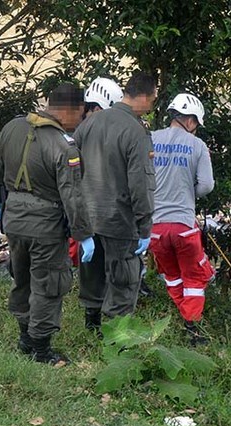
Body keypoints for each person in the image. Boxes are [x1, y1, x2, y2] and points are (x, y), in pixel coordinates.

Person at [0, 82, 95, 366]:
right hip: (45, 226)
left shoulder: (13, 128)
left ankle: (24, 337)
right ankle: (41, 349)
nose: (78, 121)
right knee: (48, 283)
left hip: (13, 221)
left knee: (22, 277)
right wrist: (84, 234)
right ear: (73, 111)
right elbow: (73, 195)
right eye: (80, 114)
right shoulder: (63, 145)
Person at [74, 71, 157, 331]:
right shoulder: (135, 131)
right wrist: (145, 225)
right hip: (120, 220)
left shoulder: (89, 124)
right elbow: (140, 184)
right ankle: (117, 338)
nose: (153, 105)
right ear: (144, 96)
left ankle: (92, 324)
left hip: (89, 216)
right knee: (123, 280)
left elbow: (70, 170)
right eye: (153, 99)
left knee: (93, 272)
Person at [149, 93, 215, 345]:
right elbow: (207, 186)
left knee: (173, 275)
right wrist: (188, 193)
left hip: (155, 229)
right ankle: (193, 329)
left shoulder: (151, 139)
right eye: (196, 123)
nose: (195, 129)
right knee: (195, 279)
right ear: (189, 120)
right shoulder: (197, 146)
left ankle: (184, 315)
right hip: (184, 228)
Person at [68, 77, 124, 266]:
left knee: (93, 279)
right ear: (99, 108)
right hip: (102, 216)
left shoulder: (77, 132)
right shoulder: (83, 132)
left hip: (89, 215)